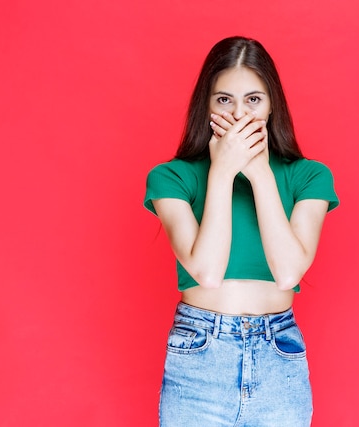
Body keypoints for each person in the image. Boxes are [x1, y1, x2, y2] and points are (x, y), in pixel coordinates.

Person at [144, 36, 339, 427]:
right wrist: (222, 171)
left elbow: (288, 272)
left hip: (278, 357)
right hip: (199, 354)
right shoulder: (172, 177)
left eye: (253, 100)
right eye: (223, 100)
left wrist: (260, 172)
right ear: (207, 105)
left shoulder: (308, 176)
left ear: (272, 106)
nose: (238, 114)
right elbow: (207, 272)